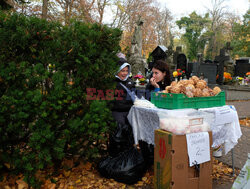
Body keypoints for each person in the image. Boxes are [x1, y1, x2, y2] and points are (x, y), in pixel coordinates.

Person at [111, 57, 135, 126]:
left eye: (126, 71)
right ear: (117, 71)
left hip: (130, 112)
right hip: (117, 112)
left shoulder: (130, 83)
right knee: (120, 126)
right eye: (122, 71)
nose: (125, 73)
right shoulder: (112, 83)